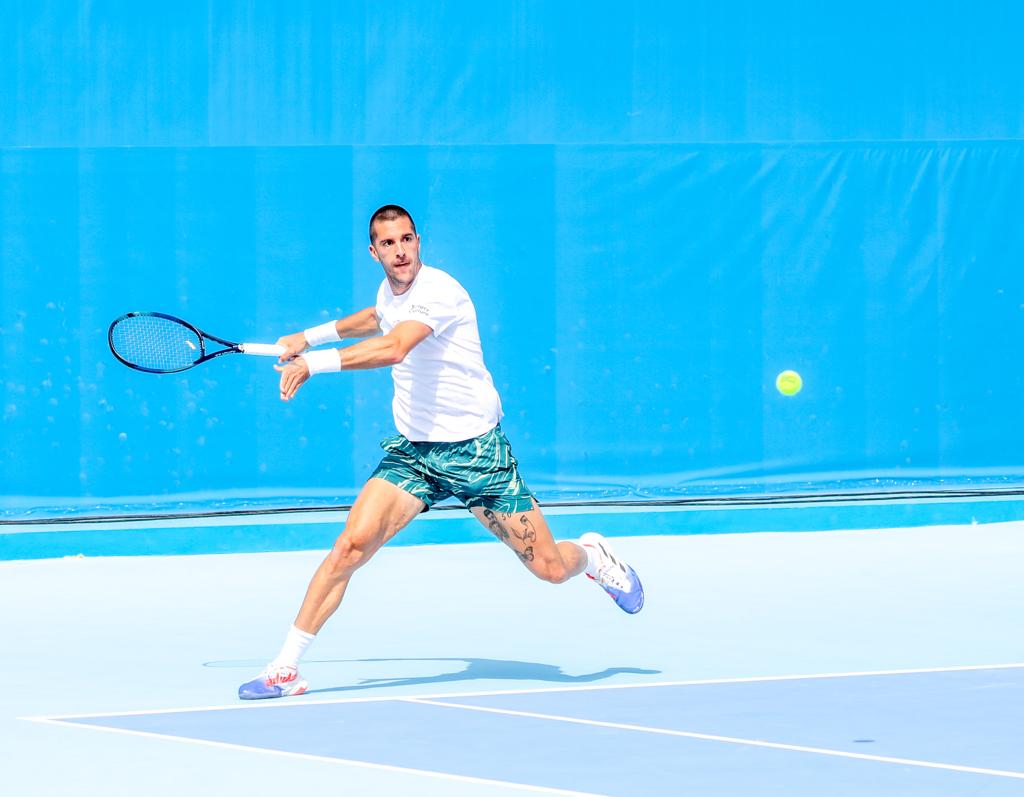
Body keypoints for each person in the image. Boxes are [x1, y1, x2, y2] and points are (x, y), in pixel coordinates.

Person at [238, 205, 644, 699]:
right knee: (349, 547)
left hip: (476, 453)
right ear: (374, 252)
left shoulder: (440, 291)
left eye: (407, 239)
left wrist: (313, 362)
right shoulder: (390, 291)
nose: (400, 251)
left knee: (551, 569)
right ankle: (285, 668)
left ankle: (593, 554)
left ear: (418, 241)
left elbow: (394, 346)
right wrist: (307, 336)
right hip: (415, 453)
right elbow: (376, 317)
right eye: (389, 244)